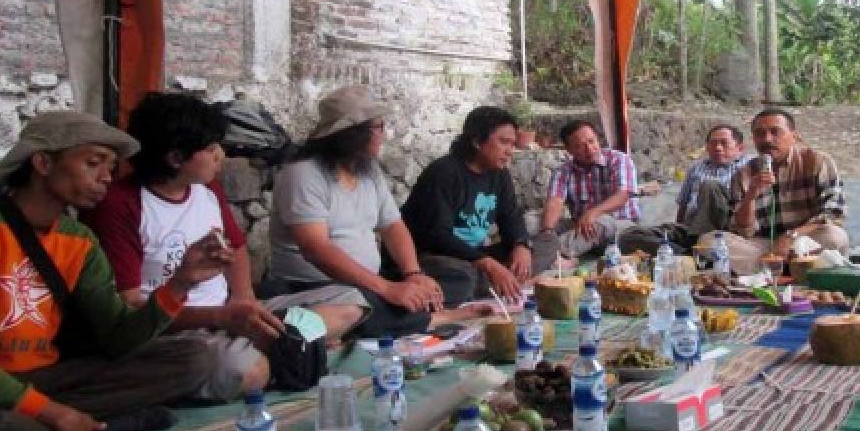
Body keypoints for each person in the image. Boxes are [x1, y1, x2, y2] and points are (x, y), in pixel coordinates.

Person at [82, 92, 369, 401]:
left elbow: (236, 248)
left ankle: (286, 344)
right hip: (177, 329)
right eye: (210, 148)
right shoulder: (119, 205)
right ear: (176, 158)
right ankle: (296, 346)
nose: (221, 155)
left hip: (232, 312)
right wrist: (221, 317)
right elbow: (130, 309)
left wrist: (244, 298)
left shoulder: (206, 188)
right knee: (244, 370)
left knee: (352, 301)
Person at [0, 111, 230, 431]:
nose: (106, 178)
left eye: (111, 167)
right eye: (93, 163)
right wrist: (52, 412)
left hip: (48, 378)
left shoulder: (79, 240)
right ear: (42, 162)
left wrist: (179, 283)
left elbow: (117, 337)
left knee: (196, 359)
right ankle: (72, 425)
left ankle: (48, 427)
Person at [263, 86, 489, 337]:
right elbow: (316, 249)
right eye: (379, 127)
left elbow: (393, 226)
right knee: (361, 305)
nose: (384, 134)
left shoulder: (368, 171)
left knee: (456, 280)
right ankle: (435, 318)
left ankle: (402, 316)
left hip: (367, 282)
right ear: (353, 134)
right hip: (314, 288)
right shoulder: (302, 174)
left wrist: (413, 274)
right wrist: (387, 289)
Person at [402, 106, 556, 304]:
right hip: (437, 257)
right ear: (476, 141)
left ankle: (500, 281)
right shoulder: (443, 173)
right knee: (461, 275)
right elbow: (437, 236)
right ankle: (499, 282)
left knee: (547, 243)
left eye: (513, 144)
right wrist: (489, 265)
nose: (510, 151)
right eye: (504, 142)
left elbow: (511, 217)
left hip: (476, 257)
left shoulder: (499, 174)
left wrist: (521, 245)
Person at [727, 109, 848, 266]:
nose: (767, 139)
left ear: (794, 137)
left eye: (775, 132)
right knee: (711, 241)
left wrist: (792, 236)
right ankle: (781, 265)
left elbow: (834, 213)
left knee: (834, 236)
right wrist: (751, 194)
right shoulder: (743, 173)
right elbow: (743, 230)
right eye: (759, 134)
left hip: (807, 240)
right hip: (764, 245)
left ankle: (773, 267)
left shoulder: (817, 161)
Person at [620, 124, 748, 253]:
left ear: (740, 148)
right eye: (713, 143)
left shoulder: (748, 167)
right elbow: (683, 205)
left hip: (723, 232)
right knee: (629, 236)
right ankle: (686, 253)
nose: (718, 148)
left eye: (724, 143)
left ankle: (698, 247)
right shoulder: (697, 168)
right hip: (689, 228)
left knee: (710, 186)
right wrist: (678, 227)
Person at [533, 120, 641, 259]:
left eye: (592, 141)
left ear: (598, 139)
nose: (589, 149)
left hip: (622, 224)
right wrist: (547, 231)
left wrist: (593, 213)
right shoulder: (563, 171)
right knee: (532, 221)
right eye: (580, 146)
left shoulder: (618, 160)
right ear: (569, 150)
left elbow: (622, 195)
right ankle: (534, 248)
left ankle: (546, 256)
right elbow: (555, 202)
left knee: (599, 223)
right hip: (580, 222)